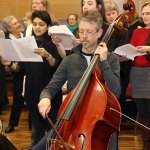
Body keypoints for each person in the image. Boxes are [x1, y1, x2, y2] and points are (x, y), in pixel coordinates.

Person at [31, 11, 121, 150]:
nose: (84, 36)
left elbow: (115, 92)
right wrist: (45, 98)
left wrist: (103, 62)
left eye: (89, 32)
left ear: (99, 32)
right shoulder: (69, 59)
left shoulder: (111, 59)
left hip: (100, 123)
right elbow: (50, 88)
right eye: (81, 31)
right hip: (71, 121)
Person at [129, 2, 150, 150]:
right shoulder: (137, 31)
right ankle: (146, 145)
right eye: (143, 14)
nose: (145, 16)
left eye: (148, 13)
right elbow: (131, 51)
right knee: (142, 111)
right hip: (137, 73)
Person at [2, 16, 25, 133]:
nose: (18, 24)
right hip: (17, 71)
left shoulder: (25, 35)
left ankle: (33, 125)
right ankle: (12, 124)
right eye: (15, 23)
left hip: (29, 69)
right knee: (17, 100)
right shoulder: (6, 40)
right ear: (9, 29)